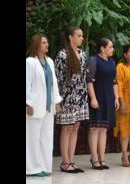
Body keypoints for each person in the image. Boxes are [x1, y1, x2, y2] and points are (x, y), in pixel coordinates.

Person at [26, 34, 63, 176]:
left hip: (48, 107)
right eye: (44, 43)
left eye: (47, 42)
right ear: (36, 45)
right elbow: (26, 84)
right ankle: (32, 168)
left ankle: (45, 166)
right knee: (32, 139)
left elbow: (53, 83)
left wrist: (57, 101)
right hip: (34, 106)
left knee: (47, 139)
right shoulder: (29, 62)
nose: (47, 45)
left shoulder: (50, 61)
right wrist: (27, 103)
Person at [55, 27, 89, 173]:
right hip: (67, 96)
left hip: (81, 95)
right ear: (70, 37)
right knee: (67, 128)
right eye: (79, 35)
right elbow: (58, 77)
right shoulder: (62, 54)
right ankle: (65, 162)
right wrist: (59, 99)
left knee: (75, 128)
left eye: (82, 36)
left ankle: (72, 160)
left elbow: (84, 75)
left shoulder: (82, 53)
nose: (82, 38)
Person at [86, 38, 120, 169]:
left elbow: (114, 82)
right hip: (97, 96)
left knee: (104, 129)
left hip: (109, 98)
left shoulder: (112, 62)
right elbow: (89, 81)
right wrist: (93, 98)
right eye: (110, 47)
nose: (113, 49)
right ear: (102, 48)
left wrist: (116, 98)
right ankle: (94, 159)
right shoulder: (94, 60)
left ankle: (102, 158)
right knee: (95, 128)